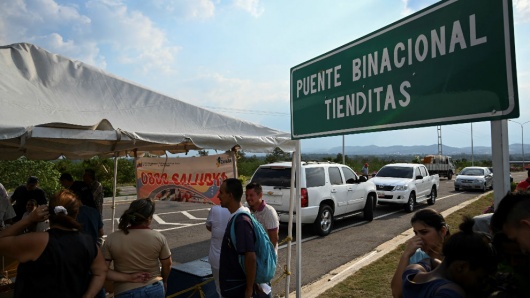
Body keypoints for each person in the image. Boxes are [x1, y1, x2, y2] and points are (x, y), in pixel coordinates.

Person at [0, 189, 107, 297]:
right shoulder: (88, 242)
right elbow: (101, 272)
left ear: (49, 212)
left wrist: (29, 219)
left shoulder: (37, 241)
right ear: (76, 213)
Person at [401, 216, 497, 298]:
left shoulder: (411, 273)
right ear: (461, 267)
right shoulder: (451, 292)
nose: (482, 283)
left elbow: (429, 261)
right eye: (479, 278)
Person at [102, 198, 172, 297]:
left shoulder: (111, 239)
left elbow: (102, 270)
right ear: (149, 218)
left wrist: (128, 278)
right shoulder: (158, 237)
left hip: (124, 291)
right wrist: (164, 281)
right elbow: (167, 265)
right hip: (154, 287)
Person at [391, 208, 449, 298]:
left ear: (442, 231)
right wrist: (406, 255)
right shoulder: (416, 256)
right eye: (416, 233)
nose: (418, 238)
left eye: (424, 232)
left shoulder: (456, 254)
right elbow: (397, 294)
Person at [219, 178, 258, 298]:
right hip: (233, 287)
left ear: (230, 195)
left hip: (238, 289)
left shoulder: (241, 221)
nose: (218, 196)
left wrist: (249, 290)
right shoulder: (237, 217)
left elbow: (250, 257)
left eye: (221, 192)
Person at [245, 182, 279, 254]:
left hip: (266, 256)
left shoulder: (269, 212)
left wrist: (266, 257)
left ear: (260, 195)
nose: (248, 198)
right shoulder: (246, 209)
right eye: (246, 195)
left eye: (251, 195)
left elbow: (274, 239)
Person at [206, 204, 231, 297]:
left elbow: (209, 226)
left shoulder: (215, 209)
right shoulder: (244, 211)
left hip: (217, 260)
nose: (219, 195)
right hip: (233, 262)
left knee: (220, 290)